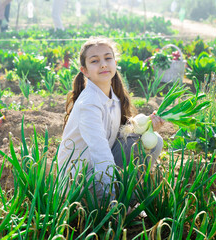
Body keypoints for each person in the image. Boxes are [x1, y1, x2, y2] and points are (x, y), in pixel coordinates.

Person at [57, 37, 164, 200]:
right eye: (95, 61)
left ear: (115, 62)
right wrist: (111, 202)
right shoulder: (89, 103)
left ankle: (129, 200)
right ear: (84, 71)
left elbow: (118, 135)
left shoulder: (113, 97)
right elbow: (100, 152)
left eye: (108, 58)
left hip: (98, 165)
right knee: (105, 200)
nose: (103, 64)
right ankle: (109, 203)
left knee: (153, 141)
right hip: (80, 176)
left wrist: (147, 127)